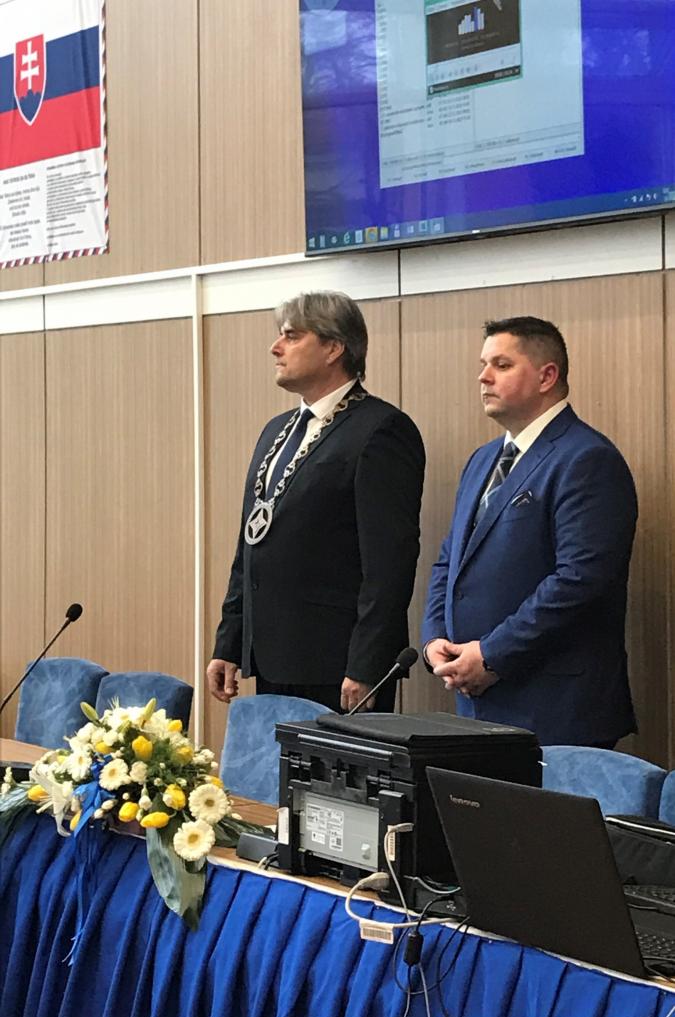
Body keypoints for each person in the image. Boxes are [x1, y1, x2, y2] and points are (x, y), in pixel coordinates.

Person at [422, 316, 637, 746]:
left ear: (547, 376)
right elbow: (450, 561)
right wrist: (435, 642)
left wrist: (491, 654)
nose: (483, 377)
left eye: (501, 365)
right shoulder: (482, 460)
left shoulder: (586, 458)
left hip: (555, 708)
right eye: (483, 365)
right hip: (476, 699)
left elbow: (579, 581)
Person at [208, 290, 425, 713]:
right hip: (272, 655)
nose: (276, 347)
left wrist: (368, 664)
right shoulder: (277, 430)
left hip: (338, 665)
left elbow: (389, 564)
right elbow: (250, 543)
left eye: (291, 336)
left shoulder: (381, 429)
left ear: (333, 347)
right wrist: (230, 641)